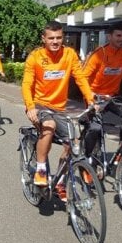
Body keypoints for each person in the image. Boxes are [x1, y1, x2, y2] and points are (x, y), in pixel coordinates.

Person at [21, 21, 98, 202]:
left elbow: (80, 78)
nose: (55, 41)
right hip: (39, 104)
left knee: (74, 142)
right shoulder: (35, 57)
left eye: (59, 38)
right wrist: (30, 106)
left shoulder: (69, 54)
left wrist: (91, 100)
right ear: (44, 39)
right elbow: (26, 84)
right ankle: (40, 169)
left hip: (59, 108)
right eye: (51, 38)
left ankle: (60, 181)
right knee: (49, 125)